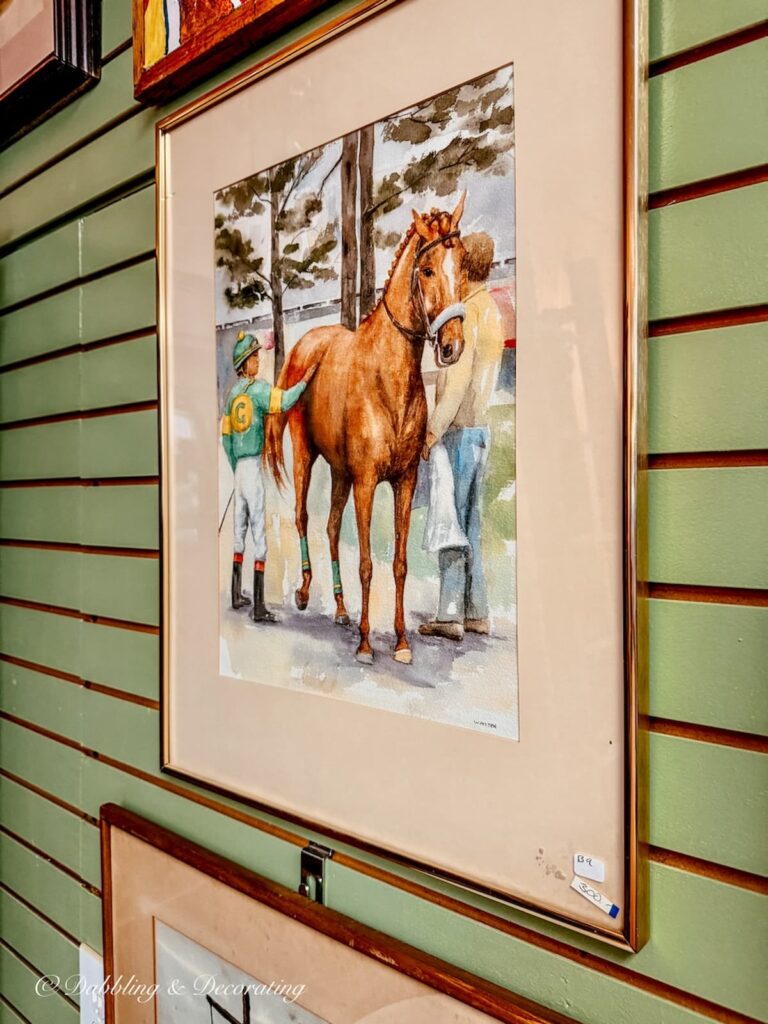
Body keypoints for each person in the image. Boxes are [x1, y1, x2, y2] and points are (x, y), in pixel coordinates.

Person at [418, 232, 504, 641]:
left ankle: (450, 613)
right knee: (472, 525)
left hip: (458, 433)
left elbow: (454, 386)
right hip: (482, 431)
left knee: (450, 526)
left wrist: (432, 430)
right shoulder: (493, 311)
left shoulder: (466, 315)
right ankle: (478, 611)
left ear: (464, 264)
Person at [221, 331, 316, 622]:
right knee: (259, 536)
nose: (258, 361)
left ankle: (237, 594)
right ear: (244, 364)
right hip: (252, 470)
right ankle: (259, 607)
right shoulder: (259, 390)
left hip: (239, 470)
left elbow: (226, 439)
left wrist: (235, 464)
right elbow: (285, 401)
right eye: (254, 358)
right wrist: (305, 380)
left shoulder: (233, 395)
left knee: (239, 532)